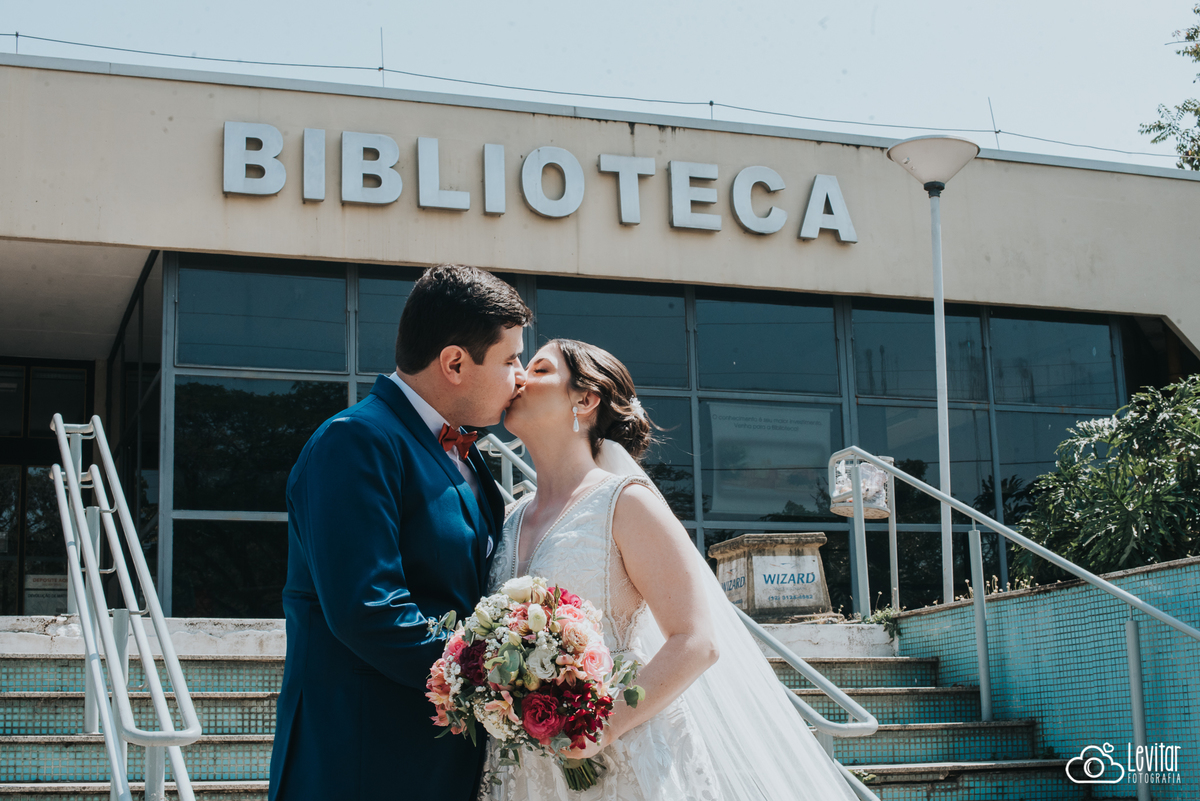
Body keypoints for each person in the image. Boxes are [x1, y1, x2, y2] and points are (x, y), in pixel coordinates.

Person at [484, 339, 860, 801]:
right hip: (525, 768)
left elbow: (696, 641)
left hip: (619, 761)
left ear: (584, 399)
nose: (520, 376)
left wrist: (598, 729)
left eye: (539, 369)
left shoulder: (625, 502)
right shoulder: (508, 517)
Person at [268, 265, 531, 801]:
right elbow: (369, 609)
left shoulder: (468, 456)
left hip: (444, 759)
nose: (520, 376)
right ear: (455, 362)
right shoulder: (355, 442)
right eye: (510, 359)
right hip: (364, 761)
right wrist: (501, 680)